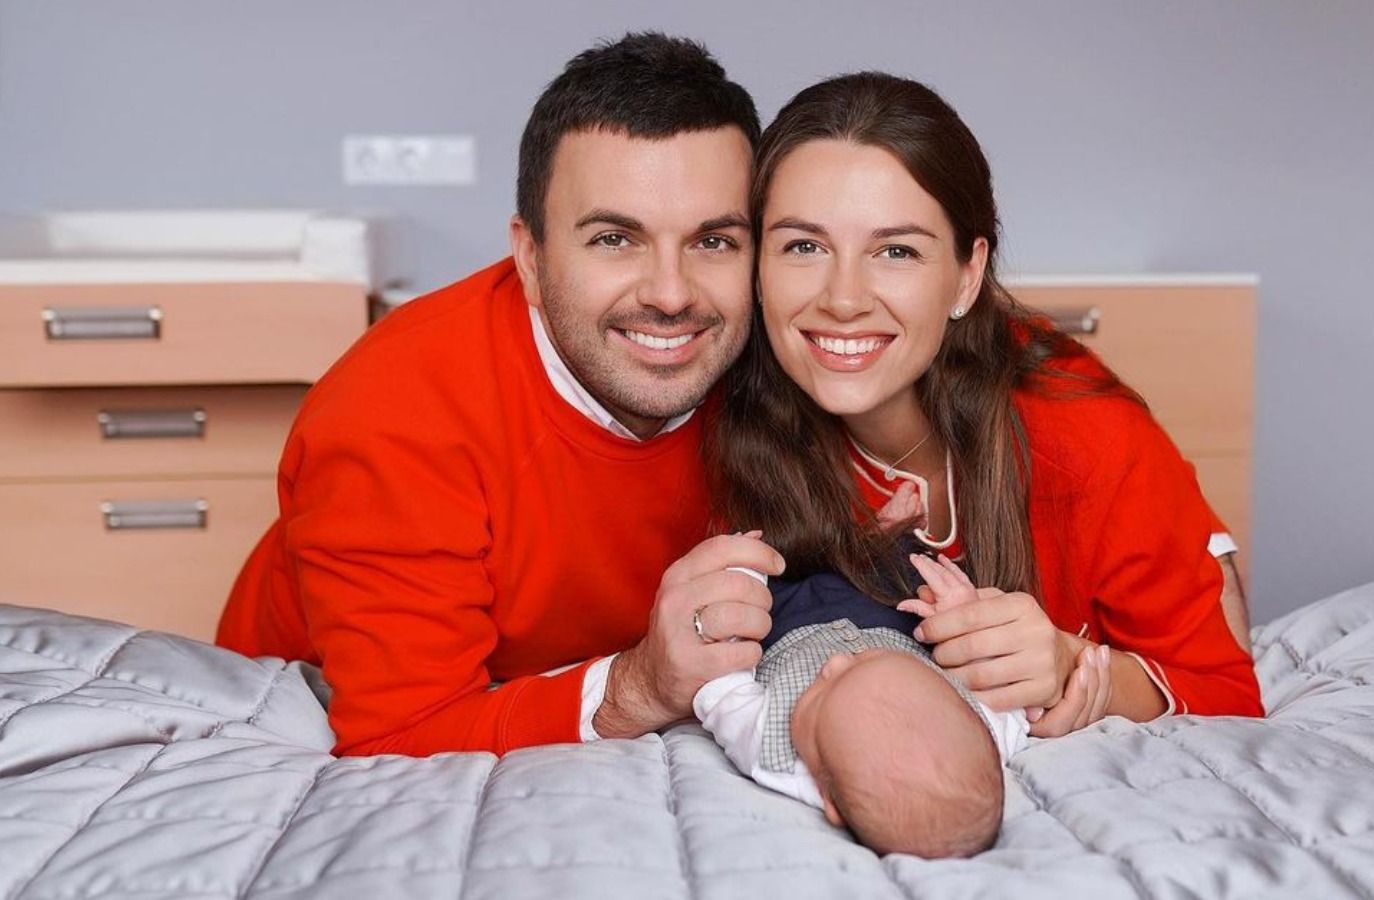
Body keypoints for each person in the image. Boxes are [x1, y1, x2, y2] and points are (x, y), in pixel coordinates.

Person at [216, 33, 787, 756]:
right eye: (614, 239)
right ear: (530, 256)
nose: (671, 295)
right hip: (305, 714)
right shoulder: (394, 413)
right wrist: (638, 688)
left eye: (713, 242)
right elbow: (398, 734)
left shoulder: (775, 356)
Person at [708, 72, 1263, 737]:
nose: (844, 298)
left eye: (896, 251)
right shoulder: (712, 416)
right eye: (804, 246)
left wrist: (1076, 665)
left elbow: (1228, 691)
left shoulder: (1083, 431)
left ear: (968, 276)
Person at [694, 554, 1034, 858]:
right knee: (894, 562)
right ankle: (888, 531)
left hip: (789, 616)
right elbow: (1008, 695)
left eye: (820, 695)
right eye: (868, 662)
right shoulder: (986, 742)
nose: (835, 663)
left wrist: (741, 580)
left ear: (829, 800)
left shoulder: (771, 754)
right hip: (897, 617)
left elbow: (722, 688)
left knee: (783, 557)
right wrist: (960, 613)